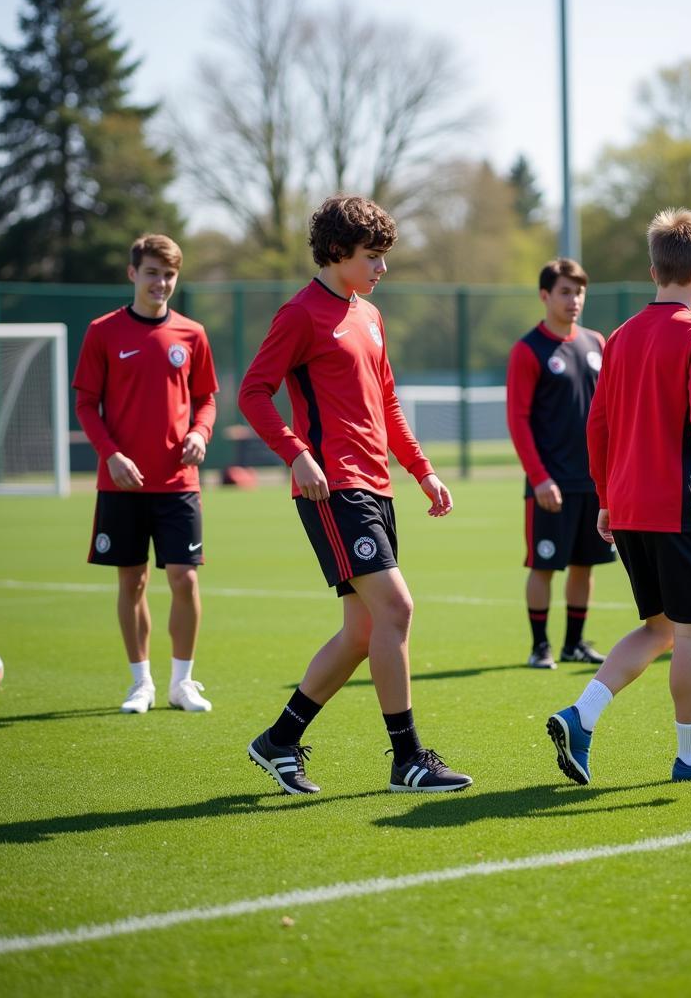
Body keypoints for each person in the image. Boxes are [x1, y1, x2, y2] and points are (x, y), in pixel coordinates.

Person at [238, 195, 472, 796]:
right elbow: (254, 393)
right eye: (373, 257)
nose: (382, 269)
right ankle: (408, 759)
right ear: (337, 252)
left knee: (364, 632)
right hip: (333, 487)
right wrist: (298, 455)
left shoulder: (368, 316)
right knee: (396, 610)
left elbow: (387, 402)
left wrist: (423, 471)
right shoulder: (299, 315)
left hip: (377, 485)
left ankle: (279, 741)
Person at [546, 208, 691, 785]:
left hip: (627, 508)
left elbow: (596, 424)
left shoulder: (621, 335)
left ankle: (582, 716)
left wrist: (606, 499)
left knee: (660, 629)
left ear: (655, 269)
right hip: (677, 507)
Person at [72, 234, 218, 714]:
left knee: (185, 580)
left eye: (169, 274)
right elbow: (86, 405)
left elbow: (206, 401)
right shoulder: (103, 331)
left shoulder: (192, 335)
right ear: (133, 274)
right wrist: (111, 454)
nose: (161, 282)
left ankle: (183, 683)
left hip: (178, 483)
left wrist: (201, 432)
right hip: (122, 482)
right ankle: (142, 684)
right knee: (131, 582)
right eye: (153, 272)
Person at [506, 258, 616, 669]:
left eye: (579, 291)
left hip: (593, 482)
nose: (574, 300)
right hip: (550, 483)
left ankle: (573, 644)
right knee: (544, 565)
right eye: (565, 292)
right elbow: (518, 420)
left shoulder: (596, 343)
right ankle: (540, 646)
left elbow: (608, 413)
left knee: (585, 566)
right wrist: (538, 477)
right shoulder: (528, 349)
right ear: (545, 296)